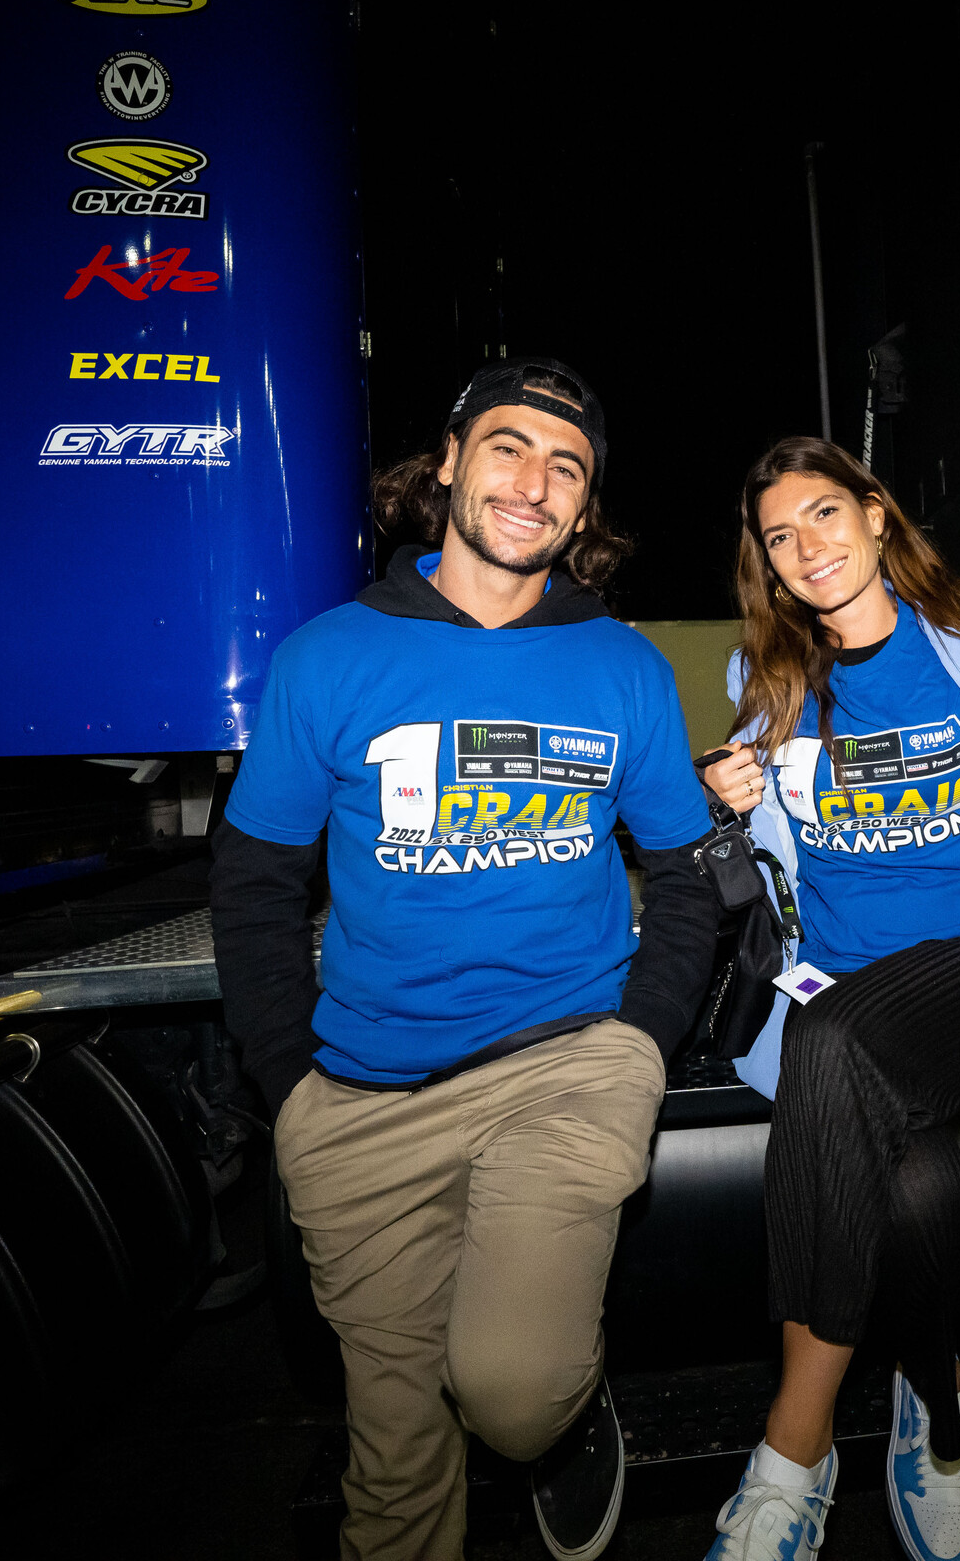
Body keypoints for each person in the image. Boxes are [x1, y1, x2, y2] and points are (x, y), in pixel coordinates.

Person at [209, 359, 719, 1561]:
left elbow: (691, 875)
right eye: (507, 447)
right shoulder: (329, 656)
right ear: (446, 462)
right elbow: (255, 879)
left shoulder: (623, 667)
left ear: (585, 508)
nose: (534, 482)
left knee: (513, 1392)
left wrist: (639, 1043)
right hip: (360, 1102)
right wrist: (292, 1086)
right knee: (395, 1465)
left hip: (562, 1065)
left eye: (566, 467)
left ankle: (564, 1417)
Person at [695, 437, 960, 1561]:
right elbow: (762, 849)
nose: (807, 547)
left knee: (834, 1044)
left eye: (824, 514)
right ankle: (936, 1411)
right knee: (915, 1179)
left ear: (877, 515)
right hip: (836, 978)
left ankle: (793, 1450)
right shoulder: (765, 679)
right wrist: (722, 797)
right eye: (780, 536)